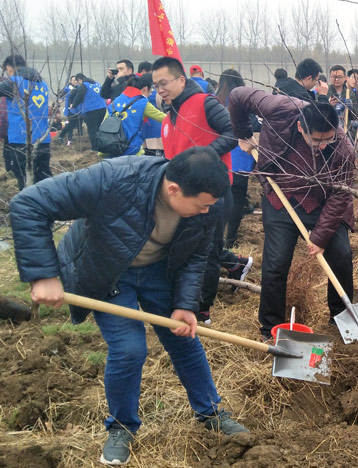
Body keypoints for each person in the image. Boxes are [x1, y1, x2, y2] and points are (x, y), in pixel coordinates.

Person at [10, 147, 250, 465]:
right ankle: (122, 427)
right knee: (129, 349)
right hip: (109, 270)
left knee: (184, 337)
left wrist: (185, 304)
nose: (207, 212)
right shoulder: (114, 178)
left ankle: (210, 412)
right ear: (174, 189)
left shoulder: (210, 205)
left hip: (159, 270)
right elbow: (29, 203)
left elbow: (196, 254)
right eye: (201, 205)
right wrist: (44, 275)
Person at [229, 87, 355, 341]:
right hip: (280, 198)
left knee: (341, 256)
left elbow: (341, 195)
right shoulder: (279, 109)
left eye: (327, 139)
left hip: (322, 204)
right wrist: (243, 134)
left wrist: (319, 237)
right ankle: (270, 328)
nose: (322, 146)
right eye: (316, 140)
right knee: (275, 264)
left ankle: (342, 320)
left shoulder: (343, 148)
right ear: (300, 128)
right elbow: (237, 96)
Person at [153, 56, 249, 324]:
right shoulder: (170, 116)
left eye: (164, 82)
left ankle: (201, 310)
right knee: (188, 248)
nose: (159, 89)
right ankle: (232, 267)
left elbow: (232, 133)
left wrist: (203, 157)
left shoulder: (205, 103)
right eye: (155, 85)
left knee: (206, 252)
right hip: (182, 197)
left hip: (211, 194)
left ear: (181, 80)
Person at [214, 69, 258, 251]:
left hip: (221, 158)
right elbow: (255, 125)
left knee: (219, 198)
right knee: (237, 200)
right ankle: (230, 240)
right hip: (240, 157)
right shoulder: (243, 102)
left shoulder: (214, 102)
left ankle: (217, 237)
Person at [0, 54, 52, 190]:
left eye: (8, 71)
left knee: (26, 182)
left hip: (21, 140)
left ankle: (31, 209)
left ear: (10, 68)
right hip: (43, 140)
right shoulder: (42, 83)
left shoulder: (14, 83)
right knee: (44, 179)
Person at [102, 74, 166, 156]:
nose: (150, 94)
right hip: (132, 150)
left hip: (110, 148)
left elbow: (104, 122)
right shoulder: (142, 103)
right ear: (145, 89)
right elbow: (163, 118)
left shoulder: (116, 101)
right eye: (150, 92)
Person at [70, 73, 107, 151]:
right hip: (103, 108)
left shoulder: (84, 85)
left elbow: (79, 96)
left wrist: (73, 105)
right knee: (98, 128)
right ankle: (102, 145)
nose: (78, 84)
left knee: (92, 129)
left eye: (78, 82)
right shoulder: (97, 83)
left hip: (92, 109)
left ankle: (94, 148)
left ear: (80, 80)